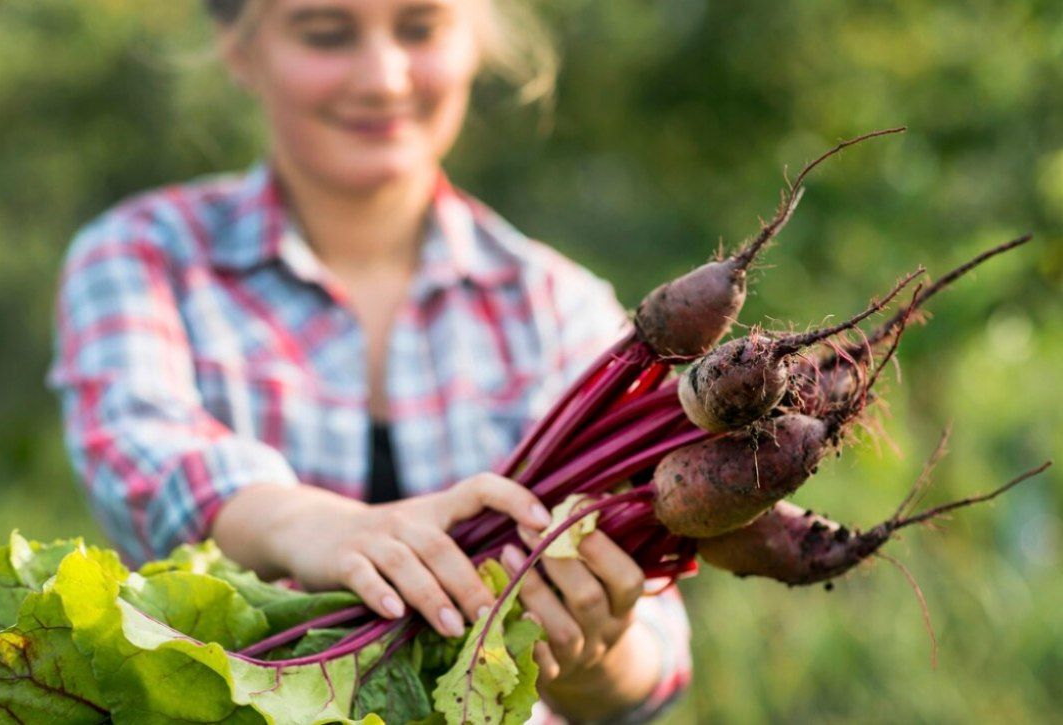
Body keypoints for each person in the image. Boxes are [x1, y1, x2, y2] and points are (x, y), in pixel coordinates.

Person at [48, 0, 691, 721]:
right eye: (326, 34)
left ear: (475, 39)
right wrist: (314, 526)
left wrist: (593, 663)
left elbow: (657, 657)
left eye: (420, 29)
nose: (383, 78)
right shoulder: (141, 256)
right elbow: (141, 448)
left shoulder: (558, 304)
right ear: (239, 48)